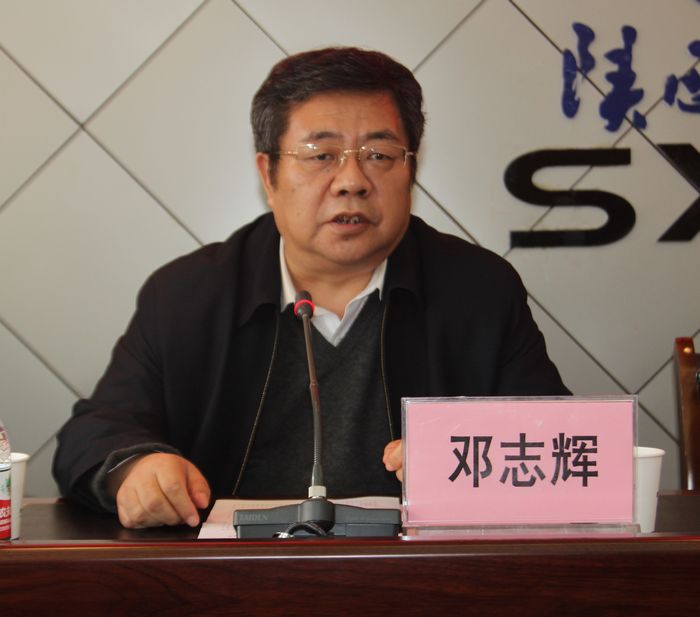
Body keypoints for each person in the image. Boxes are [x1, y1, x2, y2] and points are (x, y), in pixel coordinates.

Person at [53, 47, 569, 529]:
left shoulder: (477, 290)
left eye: (379, 155)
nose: (352, 181)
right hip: (231, 575)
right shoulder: (189, 294)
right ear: (269, 174)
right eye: (321, 155)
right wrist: (137, 468)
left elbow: (560, 443)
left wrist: (472, 454)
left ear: (411, 168)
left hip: (419, 574)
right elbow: (95, 432)